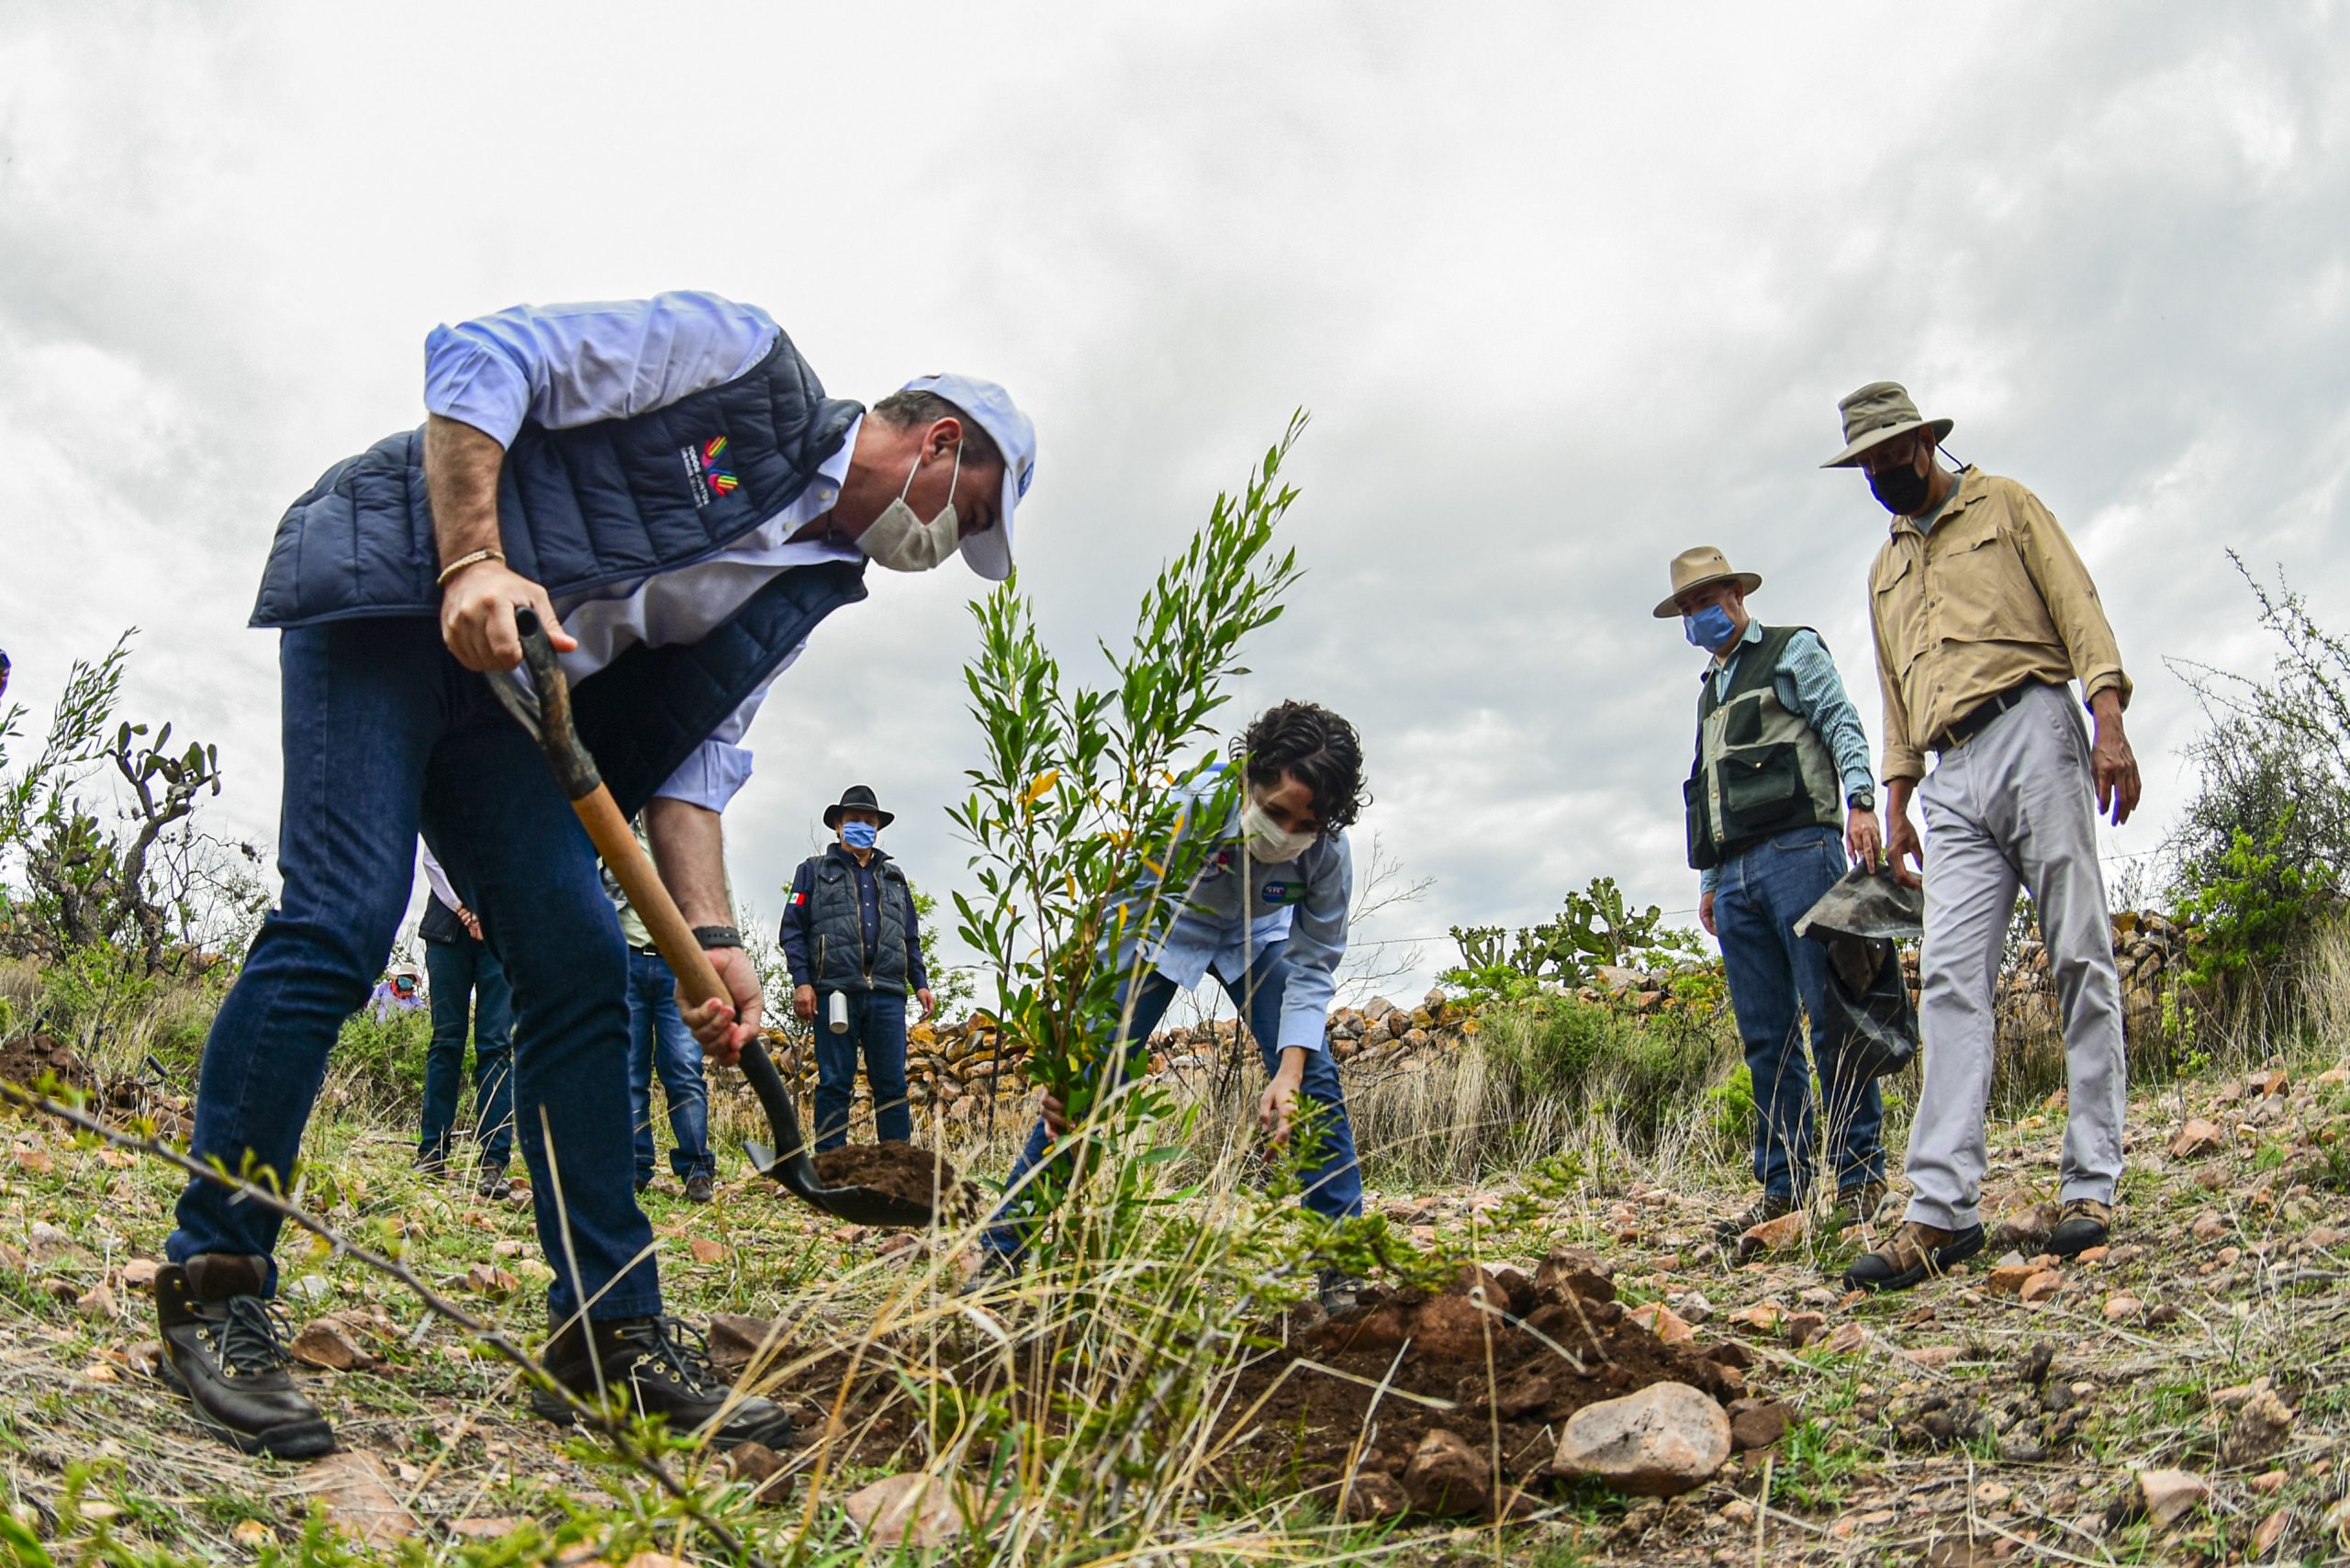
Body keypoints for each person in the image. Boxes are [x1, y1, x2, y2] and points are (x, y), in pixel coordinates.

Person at [155, 289, 1035, 1460]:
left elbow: (697, 769)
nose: (946, 549)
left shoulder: (809, 585)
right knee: (344, 918)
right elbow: (482, 354)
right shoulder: (741, 362)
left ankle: (604, 1338)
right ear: (937, 444)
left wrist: (712, 938)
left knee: (579, 972)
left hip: (515, 705)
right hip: (395, 589)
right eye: (964, 513)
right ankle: (214, 1281)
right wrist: (472, 556)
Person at [1825, 382, 2138, 1294]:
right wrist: (1895, 803)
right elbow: (1891, 694)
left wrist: (2106, 717)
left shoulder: (2005, 504)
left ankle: (2088, 1184)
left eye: (1891, 452)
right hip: (1948, 773)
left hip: (2033, 727)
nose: (1881, 471)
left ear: (1926, 441)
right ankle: (1941, 1210)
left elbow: (2078, 608)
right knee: (1952, 981)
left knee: (2077, 948)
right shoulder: (1884, 571)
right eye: (1866, 463)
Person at [977, 701, 1370, 1309]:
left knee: (1315, 1080)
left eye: (1304, 824)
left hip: (1256, 938)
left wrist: (1287, 1073)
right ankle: (1003, 1253)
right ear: (1248, 780)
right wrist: (1077, 1045)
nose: (1286, 833)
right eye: (1274, 814)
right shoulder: (1188, 808)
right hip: (1162, 927)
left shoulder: (1328, 855)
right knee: (1081, 1088)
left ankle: (1342, 1265)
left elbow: (1314, 963)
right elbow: (1113, 915)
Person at [1657, 547, 1888, 1241]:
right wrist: (1708, 881)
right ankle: (1783, 1188)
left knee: (1833, 1013)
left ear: (1735, 594)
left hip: (1801, 853)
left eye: (1706, 599)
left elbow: (1840, 721)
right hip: (1733, 876)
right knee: (1765, 1036)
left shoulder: (1793, 650)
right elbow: (1712, 787)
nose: (1699, 615)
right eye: (1687, 607)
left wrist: (1863, 801)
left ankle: (1857, 1178)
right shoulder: (1709, 691)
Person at [780, 785, 934, 1150]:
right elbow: (792, 930)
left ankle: (897, 1167)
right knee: (834, 1081)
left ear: (878, 828)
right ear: (838, 824)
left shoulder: (895, 878)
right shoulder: (811, 872)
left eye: (869, 821)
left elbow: (910, 937)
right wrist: (803, 983)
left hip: (887, 995)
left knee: (892, 1085)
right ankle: (830, 1166)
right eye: (854, 820)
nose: (862, 826)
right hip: (834, 990)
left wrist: (921, 983)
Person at [607, 817, 717, 1202]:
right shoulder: (611, 823)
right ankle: (634, 1166)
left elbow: (718, 890)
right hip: (625, 961)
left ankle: (697, 1169)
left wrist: (723, 951)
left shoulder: (686, 829)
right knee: (628, 1071)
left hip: (679, 964)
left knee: (683, 1068)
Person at [415, 845, 514, 1198]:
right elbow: (433, 857)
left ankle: (493, 1163)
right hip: (447, 932)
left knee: (496, 1046)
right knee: (445, 1041)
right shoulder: (451, 793)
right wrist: (463, 909)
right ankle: (432, 1152)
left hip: (501, 936)